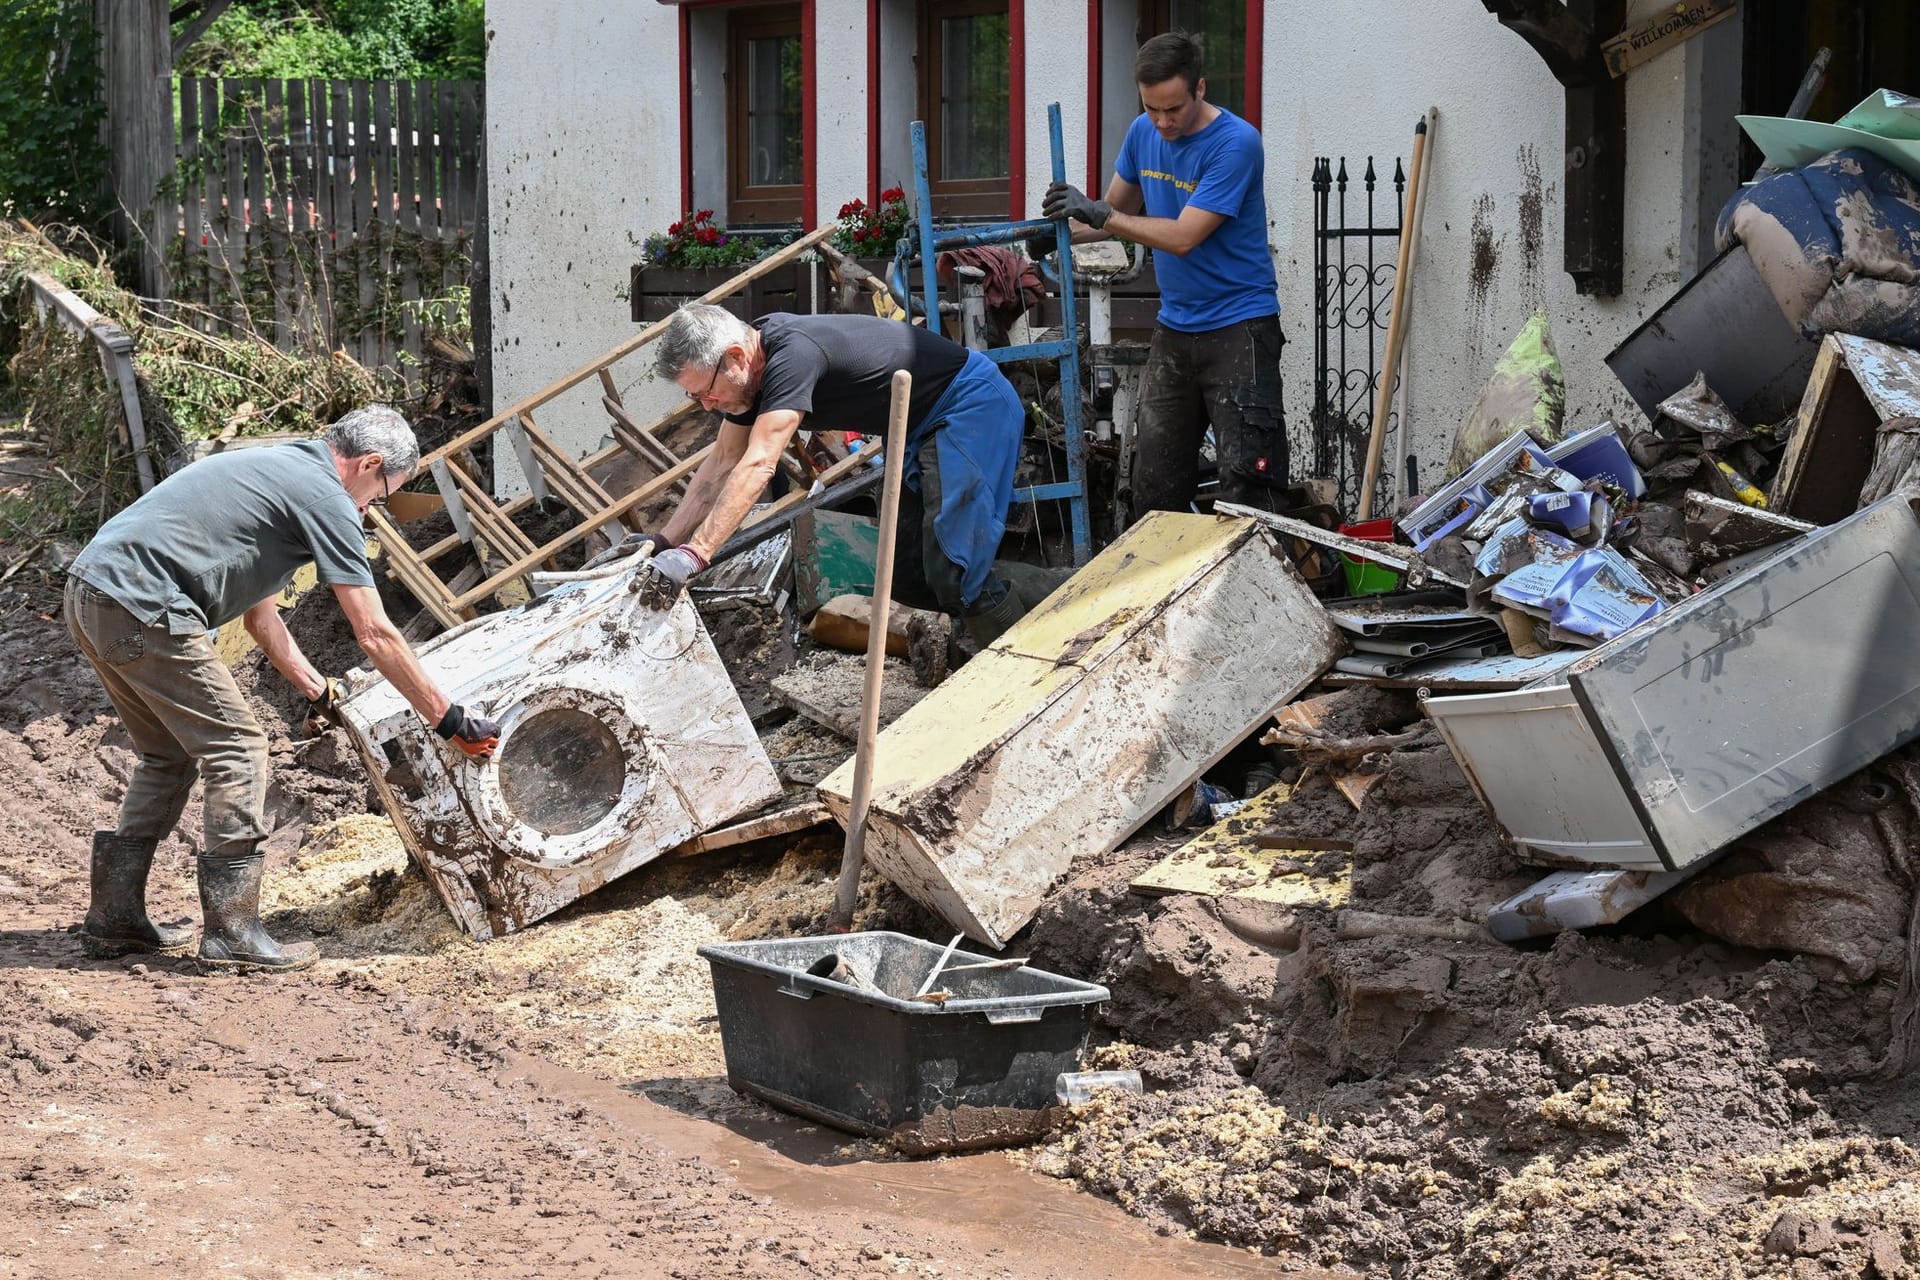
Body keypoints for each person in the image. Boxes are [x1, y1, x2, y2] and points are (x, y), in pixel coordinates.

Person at [64, 406, 500, 975]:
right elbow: (373, 633)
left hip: (93, 594)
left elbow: (261, 623)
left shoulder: (278, 471)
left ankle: (115, 919)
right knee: (239, 749)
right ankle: (233, 933)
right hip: (141, 604)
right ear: (369, 464)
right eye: (386, 490)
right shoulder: (327, 499)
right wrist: (448, 720)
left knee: (167, 756)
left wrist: (322, 694)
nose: (377, 506)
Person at [614, 304, 1049, 654]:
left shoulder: (792, 356)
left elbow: (759, 463)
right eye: (695, 398)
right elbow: (722, 463)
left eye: (706, 392)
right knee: (906, 574)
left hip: (969, 404)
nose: (707, 406)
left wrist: (698, 554)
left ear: (735, 357)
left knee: (954, 566)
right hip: (922, 424)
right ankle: (1049, 595)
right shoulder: (747, 377)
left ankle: (1024, 668)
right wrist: (666, 542)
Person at [1038, 30, 1285, 519]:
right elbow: (1113, 214)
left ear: (1200, 88)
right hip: (1177, 328)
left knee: (1247, 487)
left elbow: (1182, 236)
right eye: (1152, 108)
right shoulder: (1141, 133)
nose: (1163, 122)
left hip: (1240, 328)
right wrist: (1058, 231)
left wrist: (1099, 214)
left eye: (1174, 108)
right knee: (1155, 485)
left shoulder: (1236, 143)